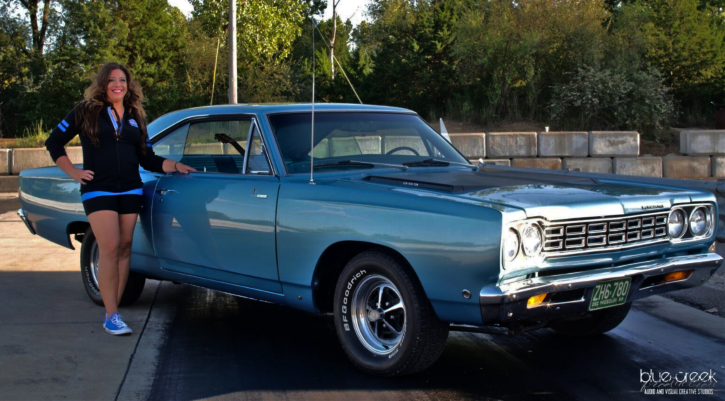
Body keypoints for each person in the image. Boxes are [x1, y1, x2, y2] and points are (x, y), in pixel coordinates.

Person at [45, 62, 195, 335]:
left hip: (130, 188)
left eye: (123, 80)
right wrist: (73, 172)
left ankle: (115, 309)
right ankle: (111, 314)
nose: (118, 84)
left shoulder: (135, 116)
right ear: (103, 84)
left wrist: (174, 165)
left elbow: (147, 158)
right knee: (111, 247)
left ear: (129, 85)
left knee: (126, 247)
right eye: (113, 80)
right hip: (98, 188)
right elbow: (53, 142)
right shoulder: (85, 111)